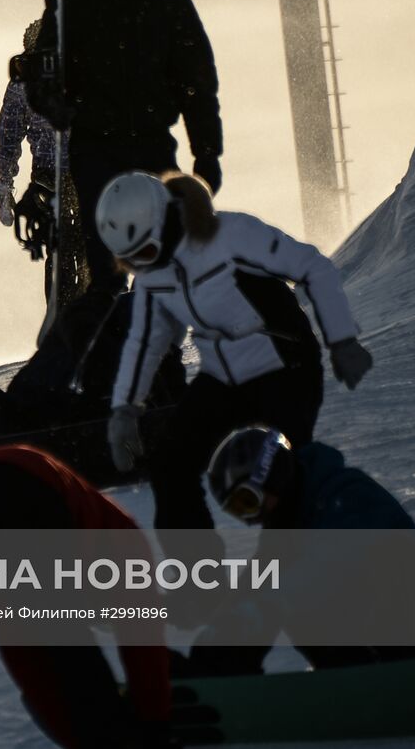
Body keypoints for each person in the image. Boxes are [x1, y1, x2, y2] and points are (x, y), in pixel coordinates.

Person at [99, 172, 374, 536]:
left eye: (146, 252)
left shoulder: (230, 235)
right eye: (131, 261)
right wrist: (125, 409)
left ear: (164, 219)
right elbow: (147, 340)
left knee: (277, 469)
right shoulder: (153, 276)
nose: (143, 266)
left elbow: (312, 266)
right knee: (171, 463)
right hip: (224, 375)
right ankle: (198, 576)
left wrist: (342, 340)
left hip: (283, 362)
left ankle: (295, 565)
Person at [0, 444, 173, 749]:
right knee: (72, 653)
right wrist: (155, 727)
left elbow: (26, 654)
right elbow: (141, 643)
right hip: (20, 488)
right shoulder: (124, 537)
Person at [24, 0, 223, 298]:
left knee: (162, 247)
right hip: (94, 148)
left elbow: (197, 83)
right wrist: (55, 104)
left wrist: (206, 153)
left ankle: (160, 339)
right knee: (105, 255)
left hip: (153, 143)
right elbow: (39, 73)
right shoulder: (67, 5)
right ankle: (110, 331)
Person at [179, 426, 415, 675]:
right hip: (371, 643)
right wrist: (220, 636)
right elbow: (257, 583)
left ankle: (384, 671)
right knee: (275, 595)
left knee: (294, 593)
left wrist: (265, 607)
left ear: (273, 474)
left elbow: (327, 566)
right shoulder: (286, 521)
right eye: (238, 511)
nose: (251, 518)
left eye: (248, 501)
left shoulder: (347, 494)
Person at [0, 19, 91, 308]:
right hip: (72, 173)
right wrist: (3, 184)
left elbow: (9, 137)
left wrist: (4, 182)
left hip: (67, 173)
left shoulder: (27, 79)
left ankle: (72, 313)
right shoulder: (79, 70)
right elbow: (9, 137)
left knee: (67, 248)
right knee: (78, 246)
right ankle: (73, 313)